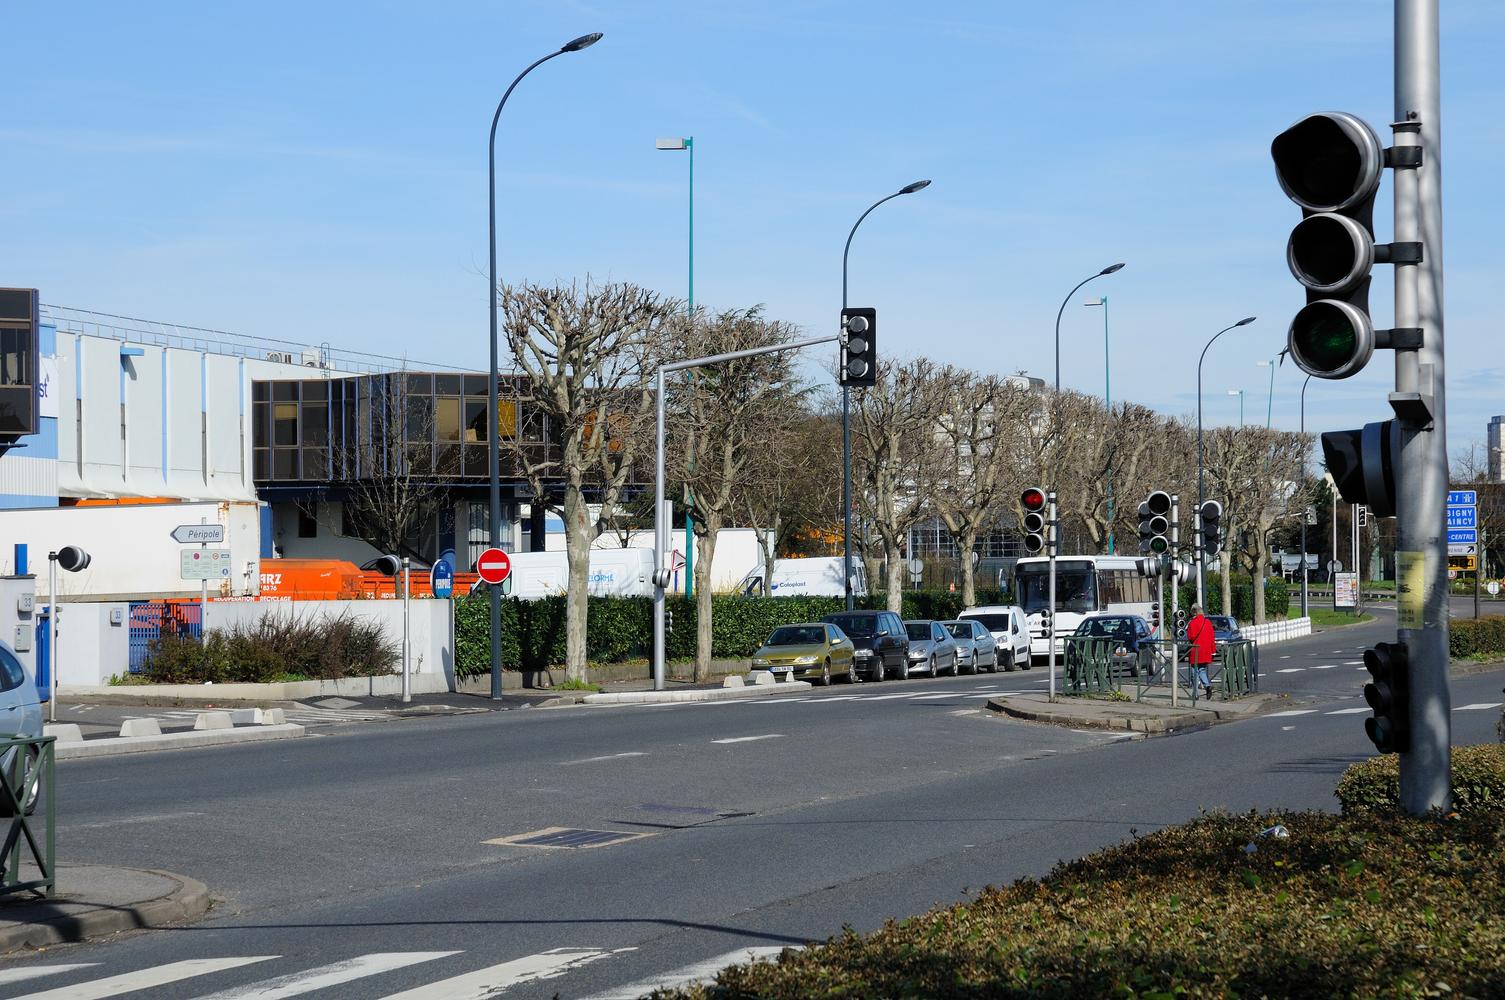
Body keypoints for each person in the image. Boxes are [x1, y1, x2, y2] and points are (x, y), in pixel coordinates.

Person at [1185, 604, 1216, 699]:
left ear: (1193, 612)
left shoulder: (1192, 623)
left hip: (1196, 650)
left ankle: (1195, 694)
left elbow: (1190, 637)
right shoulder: (1208, 622)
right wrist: (1213, 651)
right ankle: (1207, 686)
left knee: (1194, 672)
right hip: (1206, 650)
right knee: (1201, 670)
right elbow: (1212, 638)